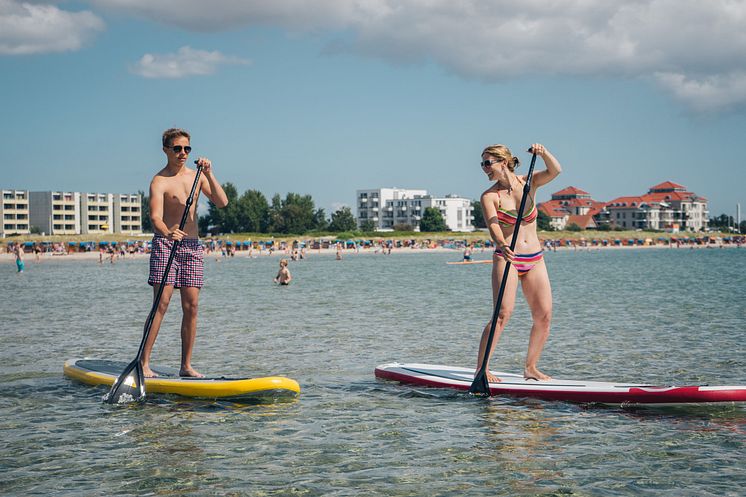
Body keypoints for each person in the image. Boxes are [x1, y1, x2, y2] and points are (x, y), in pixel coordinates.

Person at [141, 128, 229, 378]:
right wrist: (167, 231)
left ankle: (186, 366)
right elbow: (155, 217)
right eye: (177, 149)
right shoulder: (159, 181)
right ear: (165, 150)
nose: (182, 154)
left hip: (191, 246)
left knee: (191, 307)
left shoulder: (197, 176)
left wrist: (210, 174)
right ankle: (144, 363)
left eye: (187, 149)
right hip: (165, 244)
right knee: (161, 304)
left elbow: (222, 202)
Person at [476, 143, 561, 382]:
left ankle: (530, 368)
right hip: (507, 258)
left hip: (535, 258)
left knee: (544, 315)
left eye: (487, 162)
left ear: (503, 162)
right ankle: (482, 369)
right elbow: (493, 224)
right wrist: (501, 243)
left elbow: (556, 171)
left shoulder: (529, 183)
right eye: (482, 163)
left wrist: (543, 153)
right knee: (502, 314)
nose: (484, 168)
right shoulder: (489, 196)